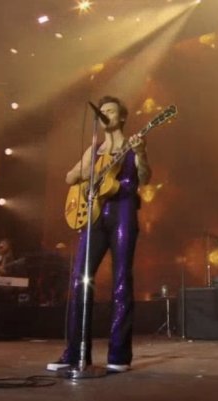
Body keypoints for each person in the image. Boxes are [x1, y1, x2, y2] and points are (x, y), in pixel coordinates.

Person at [47, 95, 151, 373]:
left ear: (122, 117)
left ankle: (118, 355)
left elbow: (145, 178)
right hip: (94, 215)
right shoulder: (95, 149)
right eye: (102, 111)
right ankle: (75, 353)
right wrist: (90, 172)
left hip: (123, 211)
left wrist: (140, 153)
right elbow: (70, 178)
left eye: (111, 111)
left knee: (120, 280)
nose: (105, 114)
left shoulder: (131, 145)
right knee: (81, 279)